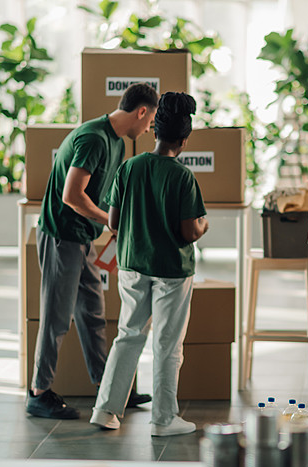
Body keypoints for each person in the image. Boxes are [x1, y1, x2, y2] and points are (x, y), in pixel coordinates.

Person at [27, 83, 159, 419]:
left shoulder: (116, 142)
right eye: (150, 121)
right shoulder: (94, 138)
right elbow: (72, 195)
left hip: (83, 237)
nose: (149, 129)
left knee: (92, 314)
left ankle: (108, 386)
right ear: (141, 111)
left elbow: (100, 193)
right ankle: (39, 393)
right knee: (57, 317)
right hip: (62, 235)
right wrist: (111, 221)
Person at [89, 92, 208, 437]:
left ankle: (106, 410)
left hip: (132, 265)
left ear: (154, 131)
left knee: (128, 336)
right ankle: (163, 419)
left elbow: (113, 222)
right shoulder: (183, 177)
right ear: (184, 140)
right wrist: (204, 225)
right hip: (172, 271)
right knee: (167, 345)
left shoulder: (130, 167)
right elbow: (189, 231)